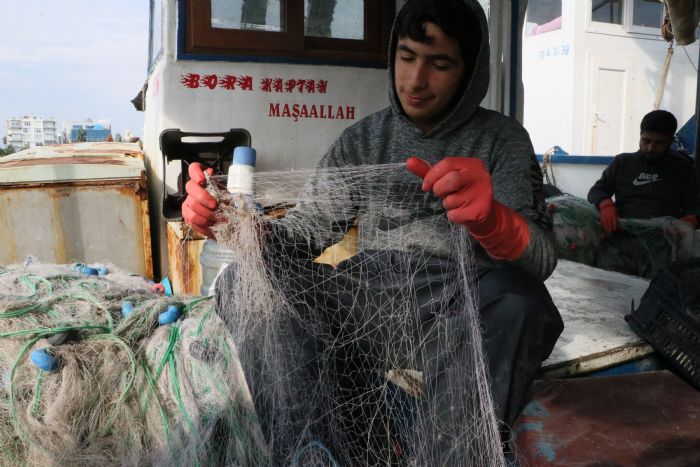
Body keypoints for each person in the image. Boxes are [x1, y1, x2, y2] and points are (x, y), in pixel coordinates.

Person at [183, 0, 563, 463]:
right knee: (245, 283)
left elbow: (539, 262)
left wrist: (494, 221)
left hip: (460, 308)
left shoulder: (501, 141)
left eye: (439, 64)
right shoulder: (362, 139)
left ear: (470, 72)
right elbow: (305, 234)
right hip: (372, 299)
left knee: (521, 304)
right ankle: (312, 455)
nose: (416, 80)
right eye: (407, 57)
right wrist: (237, 227)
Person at [588, 110, 699, 277]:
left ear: (670, 141)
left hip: (664, 242)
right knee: (611, 283)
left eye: (659, 143)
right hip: (622, 241)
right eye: (645, 140)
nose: (650, 148)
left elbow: (696, 205)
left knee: (661, 290)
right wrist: (606, 204)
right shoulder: (622, 162)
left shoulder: (683, 169)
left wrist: (691, 219)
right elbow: (597, 190)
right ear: (640, 136)